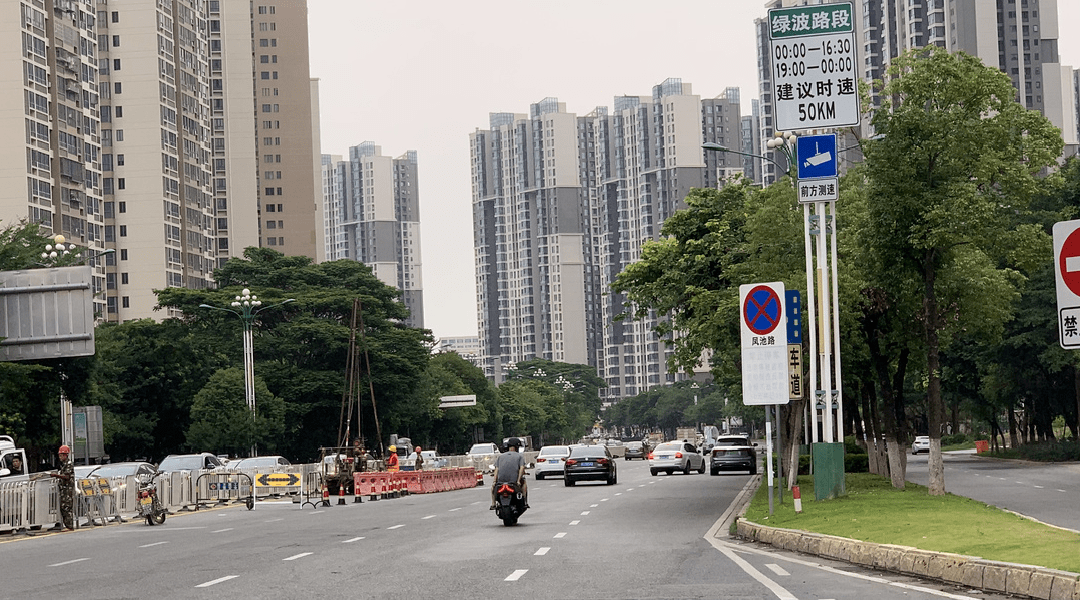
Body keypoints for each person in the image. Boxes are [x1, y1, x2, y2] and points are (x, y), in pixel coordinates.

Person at [490, 437, 528, 510]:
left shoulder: (500, 457)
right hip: (513, 482)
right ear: (517, 447)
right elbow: (522, 468)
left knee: (493, 488)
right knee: (524, 482)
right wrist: (518, 480)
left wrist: (494, 481)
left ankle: (493, 503)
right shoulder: (519, 457)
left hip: (501, 482)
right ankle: (525, 502)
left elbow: (496, 469)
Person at [48, 445, 75, 530]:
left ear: (65, 455)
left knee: (67, 507)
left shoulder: (69, 464)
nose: (59, 457)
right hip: (64, 489)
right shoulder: (64, 465)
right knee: (63, 507)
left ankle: (69, 525)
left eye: (60, 455)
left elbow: (67, 476)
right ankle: (67, 525)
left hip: (68, 489)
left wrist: (56, 475)